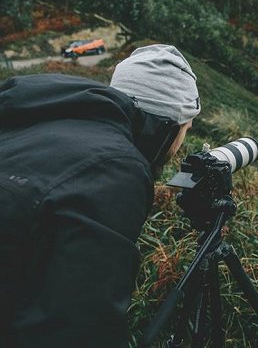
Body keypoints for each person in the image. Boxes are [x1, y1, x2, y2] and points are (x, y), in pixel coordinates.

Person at [0, 44, 200, 347]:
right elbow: (77, 327)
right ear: (166, 127)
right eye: (186, 128)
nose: (180, 146)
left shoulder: (33, 115)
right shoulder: (116, 170)